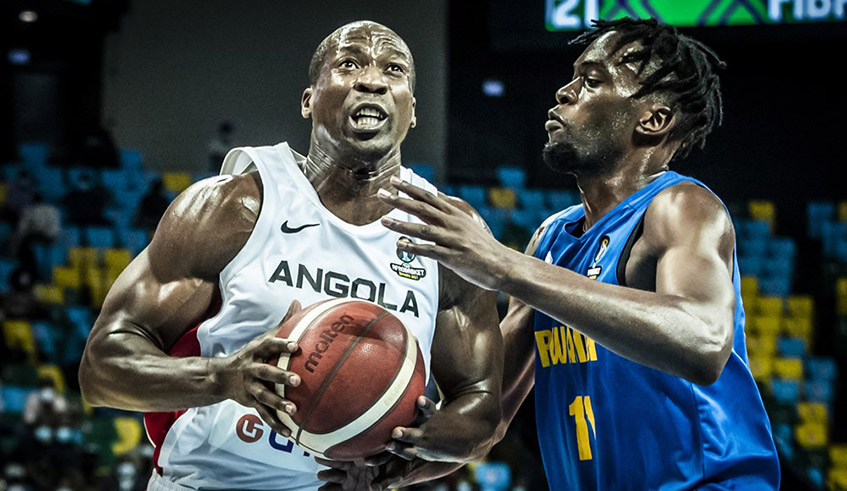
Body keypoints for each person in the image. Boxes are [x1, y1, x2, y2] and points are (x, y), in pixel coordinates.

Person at [79, 21, 503, 491]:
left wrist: (408, 452)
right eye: (349, 64)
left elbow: (481, 406)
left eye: (394, 70)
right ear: (308, 100)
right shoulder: (233, 207)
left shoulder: (449, 234)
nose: (372, 80)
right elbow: (101, 367)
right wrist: (222, 377)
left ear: (412, 110)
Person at [376, 18, 780, 490]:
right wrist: (388, 467)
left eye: (591, 81)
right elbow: (487, 415)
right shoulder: (551, 240)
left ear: (653, 120)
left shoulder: (681, 207)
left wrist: (504, 265)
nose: (564, 92)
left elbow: (703, 343)